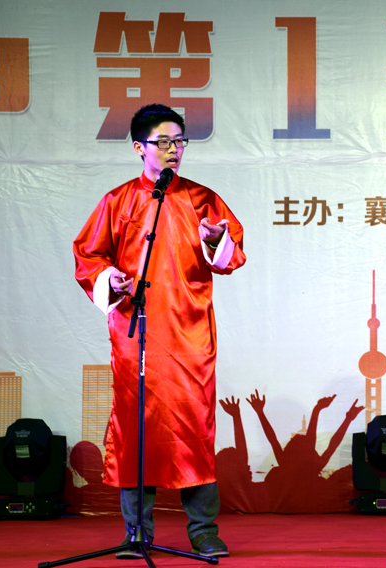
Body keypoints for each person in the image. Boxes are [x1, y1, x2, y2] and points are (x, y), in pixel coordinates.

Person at [73, 103, 246, 559]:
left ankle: (203, 530)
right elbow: (89, 257)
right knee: (136, 429)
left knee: (194, 427)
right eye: (163, 141)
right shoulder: (118, 201)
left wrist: (215, 241)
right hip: (135, 332)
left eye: (180, 141)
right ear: (139, 147)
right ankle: (137, 532)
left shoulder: (202, 199)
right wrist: (111, 279)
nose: (174, 149)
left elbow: (231, 253)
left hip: (189, 331)